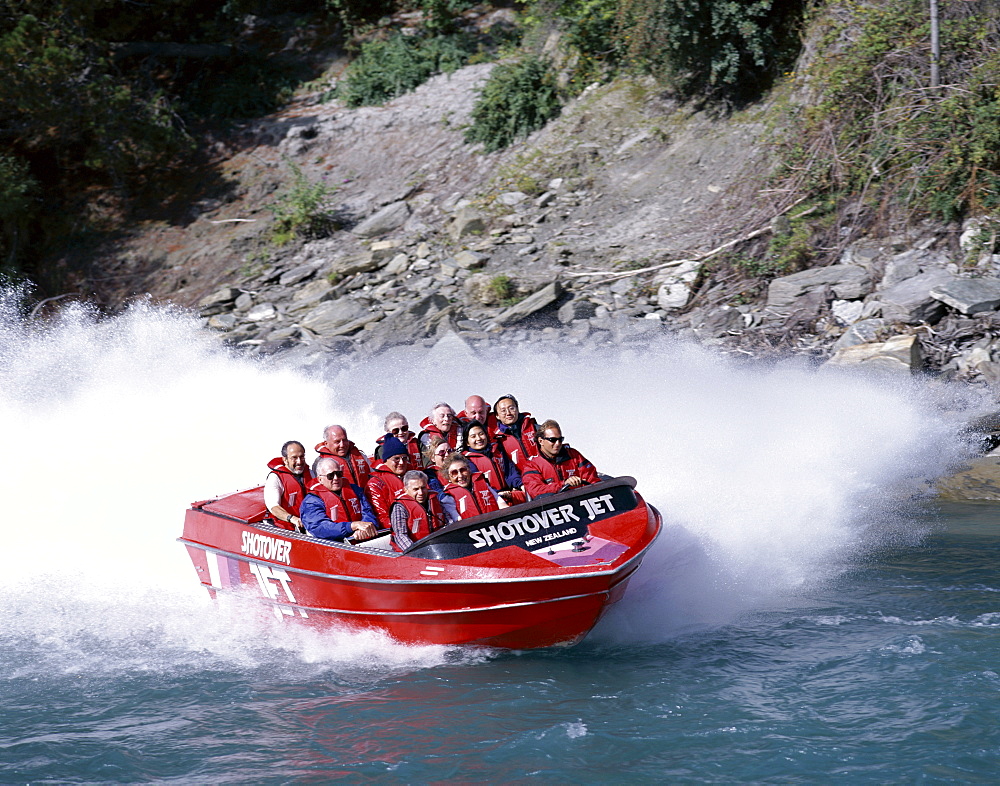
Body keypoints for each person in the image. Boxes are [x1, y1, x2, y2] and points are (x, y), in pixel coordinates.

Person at [300, 457, 378, 541]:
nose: (336, 478)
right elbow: (319, 528)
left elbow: (368, 512)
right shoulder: (311, 501)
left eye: (339, 473)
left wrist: (363, 528)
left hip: (361, 538)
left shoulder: (355, 490)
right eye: (330, 475)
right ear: (320, 479)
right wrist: (351, 526)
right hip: (334, 545)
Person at [521, 419, 600, 499]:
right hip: (553, 507)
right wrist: (563, 484)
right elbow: (536, 491)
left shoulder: (574, 455)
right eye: (553, 440)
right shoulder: (531, 465)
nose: (558, 443)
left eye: (560, 439)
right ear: (541, 441)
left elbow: (592, 479)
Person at [461, 419, 523, 503]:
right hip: (491, 500)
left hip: (510, 494)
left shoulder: (497, 451)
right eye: (473, 436)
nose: (478, 438)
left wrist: (521, 485)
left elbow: (511, 473)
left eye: (481, 434)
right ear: (467, 442)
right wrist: (498, 494)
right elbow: (478, 485)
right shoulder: (467, 460)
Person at [390, 470, 448, 552]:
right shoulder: (399, 506)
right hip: (411, 552)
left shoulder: (435, 500)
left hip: (437, 547)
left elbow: (448, 521)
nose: (420, 492)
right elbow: (400, 536)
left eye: (423, 488)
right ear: (406, 490)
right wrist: (416, 552)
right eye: (416, 489)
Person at [440, 453, 507, 521]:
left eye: (463, 470)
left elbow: (500, 503)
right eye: (454, 473)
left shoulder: (483, 484)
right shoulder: (448, 498)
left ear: (469, 470)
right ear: (448, 478)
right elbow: (456, 520)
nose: (460, 475)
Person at [264, 440, 312, 532]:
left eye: (302, 457)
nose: (299, 462)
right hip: (285, 527)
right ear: (285, 460)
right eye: (294, 458)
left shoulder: (310, 473)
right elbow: (273, 507)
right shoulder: (275, 478)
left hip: (309, 525)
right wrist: (292, 518)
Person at [366, 435, 413, 528]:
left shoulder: (415, 475)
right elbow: (382, 518)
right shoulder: (375, 484)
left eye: (404, 458)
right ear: (386, 460)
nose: (401, 463)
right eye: (396, 459)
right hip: (399, 530)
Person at [315, 424, 372, 489]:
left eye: (344, 440)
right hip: (341, 498)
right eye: (337, 442)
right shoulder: (320, 462)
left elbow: (374, 476)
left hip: (365, 496)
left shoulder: (360, 455)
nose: (342, 445)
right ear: (326, 444)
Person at [493, 394, 539, 471]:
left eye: (511, 408)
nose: (508, 413)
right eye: (503, 410)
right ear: (497, 416)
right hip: (524, 479)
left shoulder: (535, 428)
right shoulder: (498, 440)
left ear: (517, 409)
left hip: (545, 473)